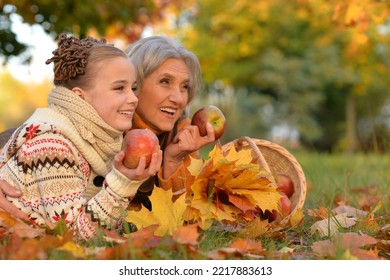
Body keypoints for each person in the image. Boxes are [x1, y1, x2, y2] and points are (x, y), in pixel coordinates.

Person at [0, 35, 215, 222]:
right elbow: (21, 145)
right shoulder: (94, 129)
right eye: (165, 82)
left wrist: (172, 163)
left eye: (185, 87)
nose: (178, 98)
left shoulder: (184, 137)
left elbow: (183, 222)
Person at [0, 33, 163, 241]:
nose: (133, 98)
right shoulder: (52, 146)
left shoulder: (97, 141)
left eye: (133, 88)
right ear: (79, 96)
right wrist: (122, 184)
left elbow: (107, 229)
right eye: (119, 88)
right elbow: (73, 237)